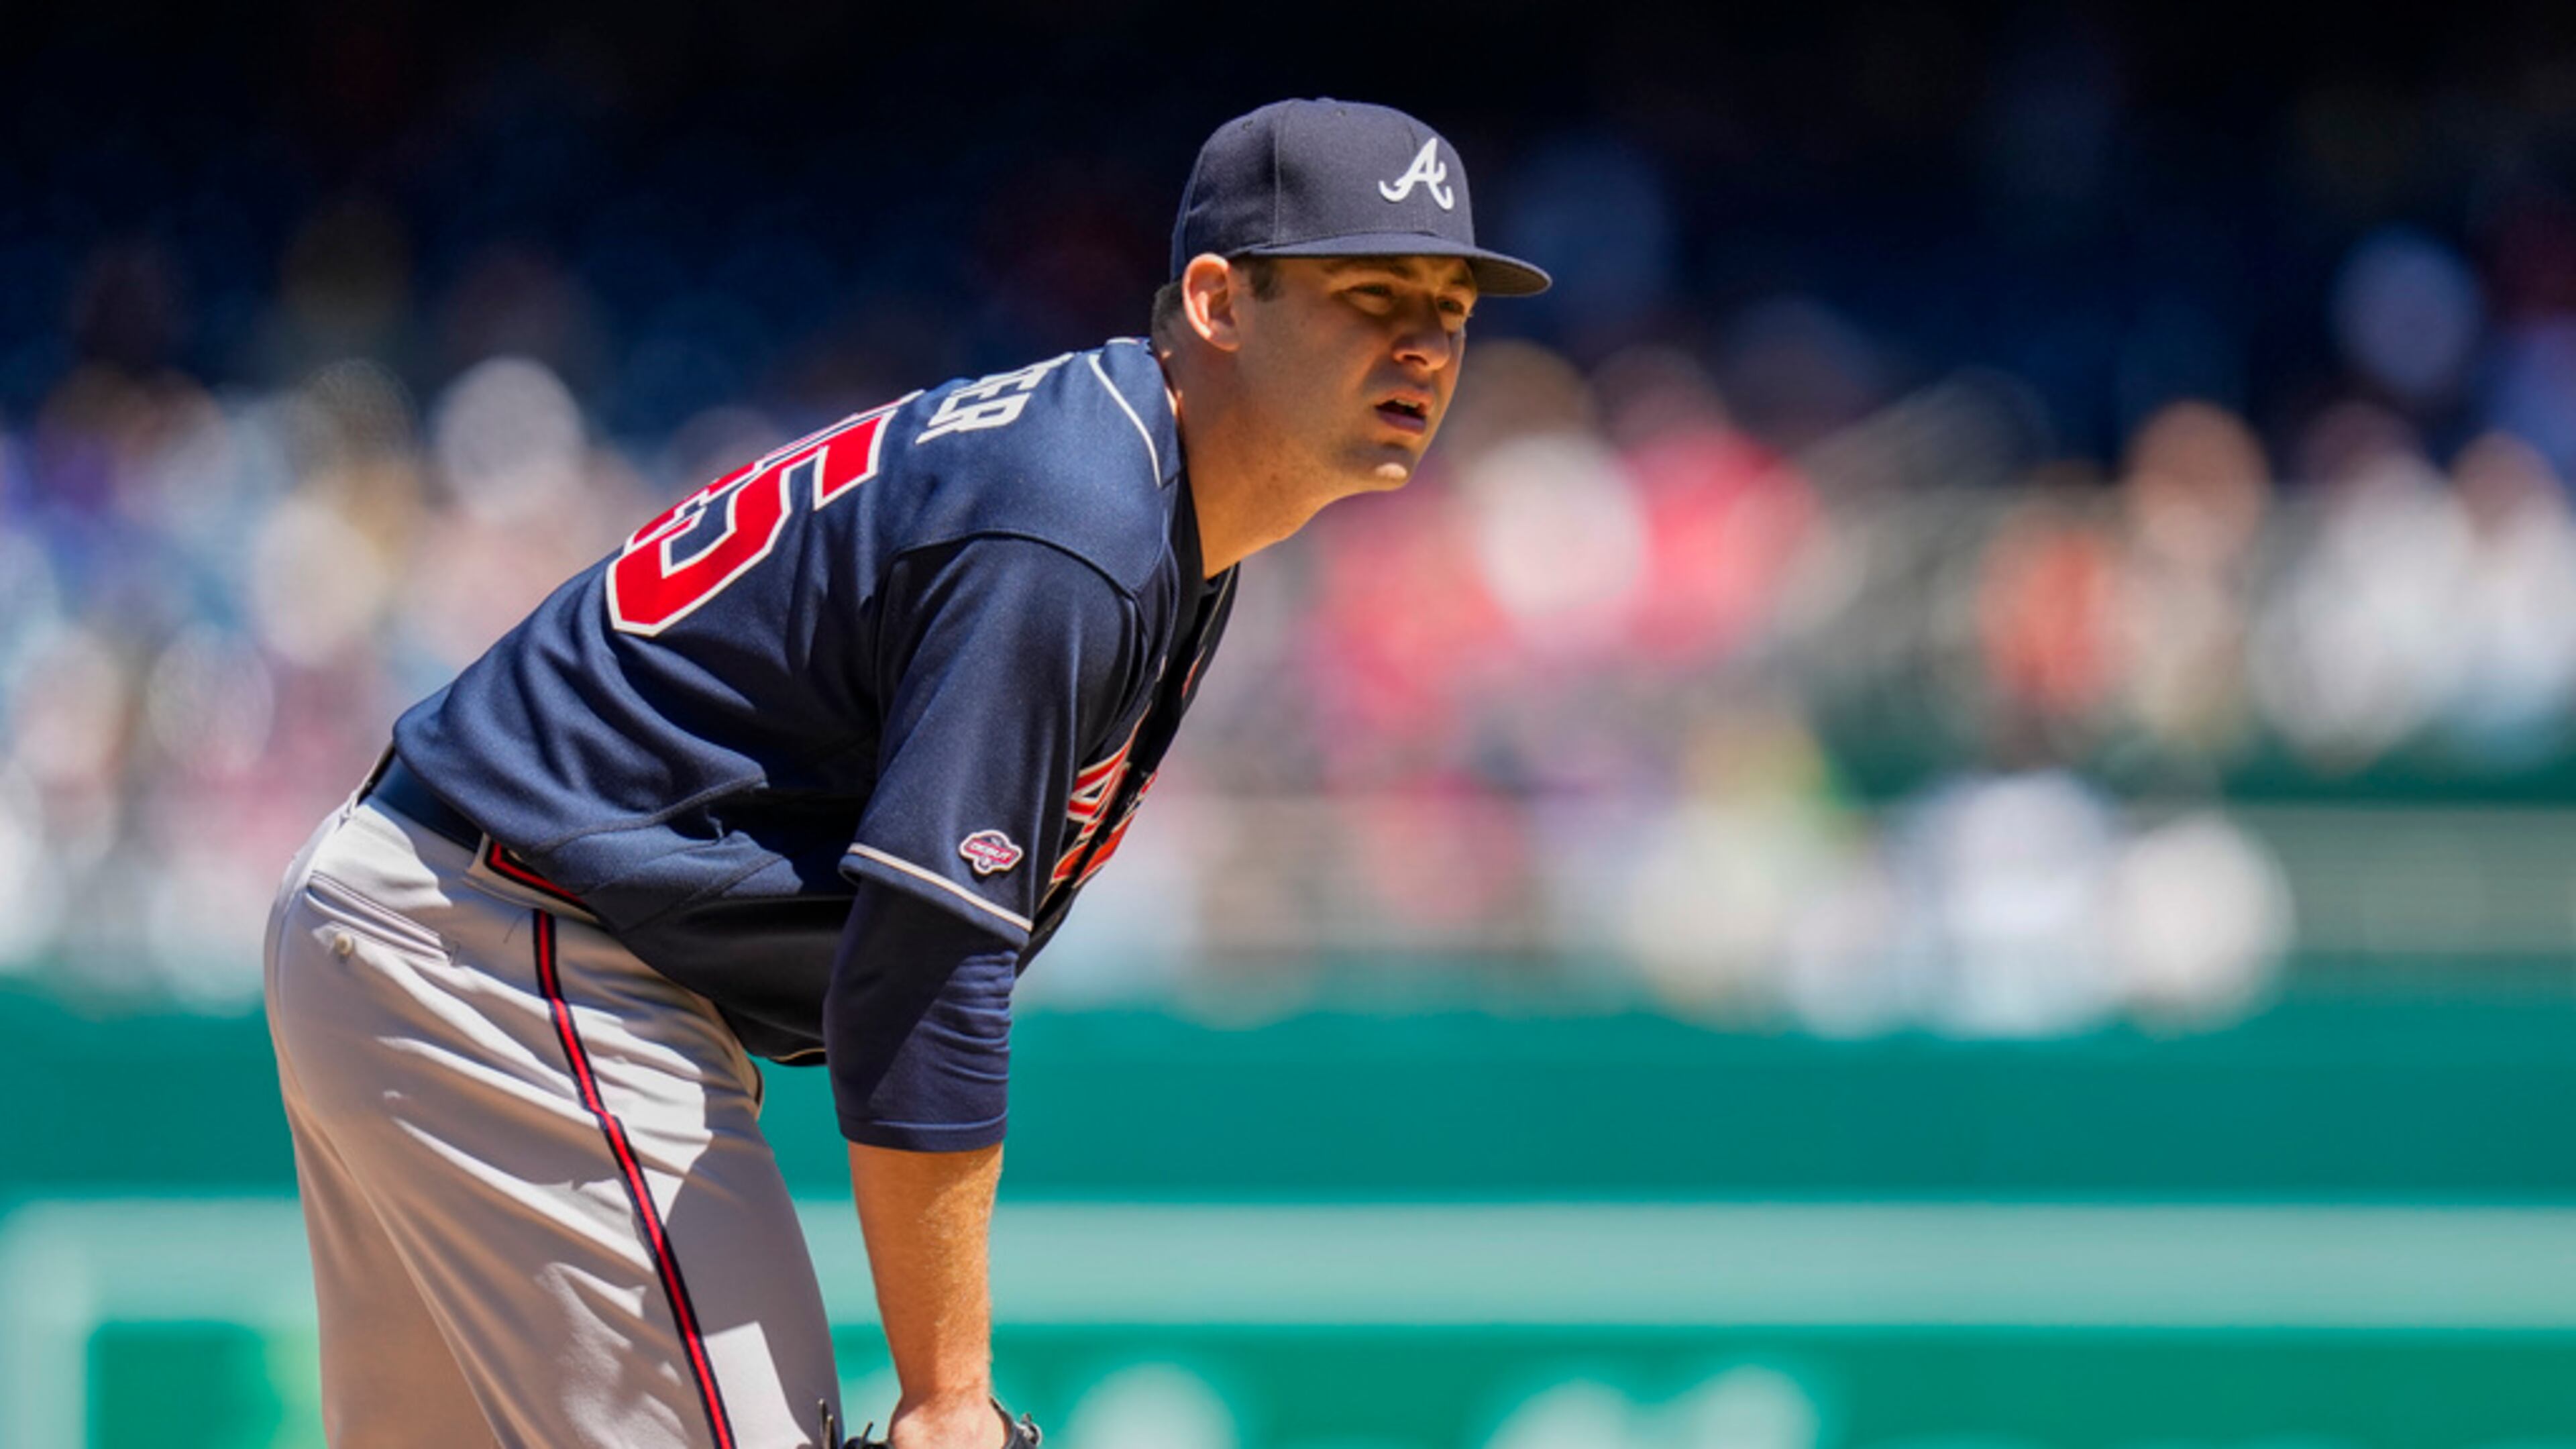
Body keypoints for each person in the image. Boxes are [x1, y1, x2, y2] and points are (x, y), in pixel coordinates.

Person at [262, 97, 1548, 1449]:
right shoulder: (1079, 521)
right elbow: (924, 967)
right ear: (1220, 304)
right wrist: (944, 1399)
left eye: (1452, 306)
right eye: (1370, 292)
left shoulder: (1129, 485)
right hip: (512, 955)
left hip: (438, 927)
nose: (1424, 341)